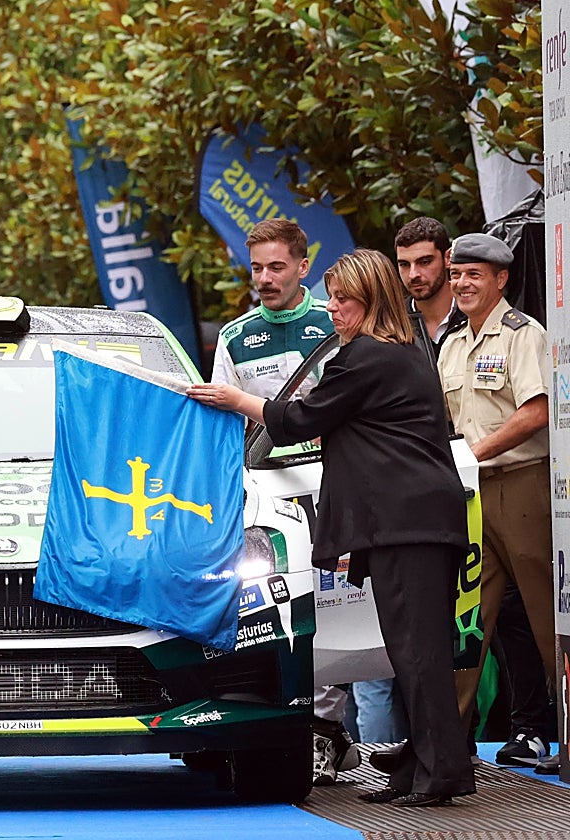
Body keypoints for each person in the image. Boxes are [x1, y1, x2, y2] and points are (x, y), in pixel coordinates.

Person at [189, 248, 476, 807]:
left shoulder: (364, 357)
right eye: (335, 298)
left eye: (344, 300)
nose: (334, 310)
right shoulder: (402, 352)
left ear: (371, 303)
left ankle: (441, 773)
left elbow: (298, 419)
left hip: (406, 521)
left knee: (418, 652)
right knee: (413, 649)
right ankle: (420, 762)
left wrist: (235, 398)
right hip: (415, 518)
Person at [210, 218, 356, 786]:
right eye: (257, 269)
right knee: (285, 600)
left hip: (335, 478)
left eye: (277, 267)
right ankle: (305, 730)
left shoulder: (334, 322)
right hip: (272, 489)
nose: (265, 279)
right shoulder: (235, 336)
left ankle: (333, 729)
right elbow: (224, 420)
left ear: (303, 267)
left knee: (344, 604)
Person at [438, 233, 557, 769]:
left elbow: (537, 411)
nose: (462, 283)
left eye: (475, 275)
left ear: (501, 279)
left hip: (523, 484)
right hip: (470, 494)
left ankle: (569, 737)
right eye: (457, 273)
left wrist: (472, 454)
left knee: (548, 618)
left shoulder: (523, 335)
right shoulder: (453, 342)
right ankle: (444, 746)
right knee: (465, 622)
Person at [394, 217, 466, 348]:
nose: (413, 274)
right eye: (404, 264)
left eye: (425, 262)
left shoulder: (475, 312)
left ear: (448, 258)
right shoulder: (393, 326)